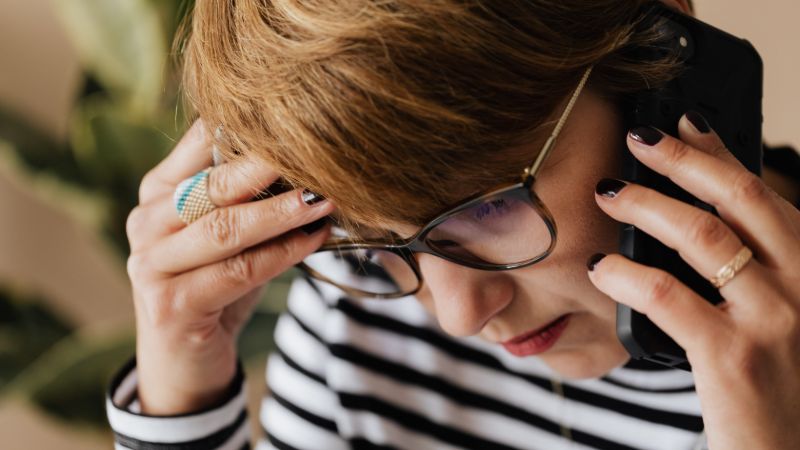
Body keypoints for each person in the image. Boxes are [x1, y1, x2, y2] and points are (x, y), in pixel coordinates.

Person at [106, 0, 800, 449]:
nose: (460, 316)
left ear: (660, 62)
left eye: (490, 205)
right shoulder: (359, 304)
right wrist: (180, 394)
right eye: (371, 240)